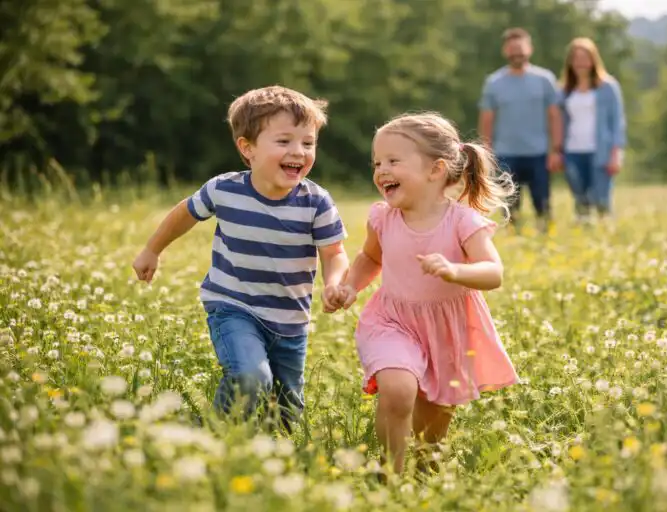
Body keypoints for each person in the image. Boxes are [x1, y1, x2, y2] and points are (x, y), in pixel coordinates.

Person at [131, 85, 349, 429]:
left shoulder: (316, 202)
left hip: (290, 320)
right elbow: (184, 213)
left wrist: (334, 283)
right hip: (234, 307)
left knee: (286, 418)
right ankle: (214, 436)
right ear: (247, 148)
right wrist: (151, 249)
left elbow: (334, 253)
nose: (298, 151)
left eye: (308, 143)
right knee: (251, 378)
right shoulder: (224, 190)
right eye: (284, 141)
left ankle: (261, 447)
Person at [326, 112, 519, 474]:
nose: (382, 171)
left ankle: (422, 472)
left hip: (446, 330)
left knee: (432, 431)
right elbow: (371, 257)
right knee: (398, 391)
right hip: (392, 321)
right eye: (377, 163)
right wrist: (349, 286)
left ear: (436, 169)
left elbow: (493, 273)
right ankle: (391, 475)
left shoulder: (462, 221)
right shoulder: (383, 218)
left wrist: (456, 271)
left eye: (393, 161)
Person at [478, 27, 563, 232]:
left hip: (538, 153)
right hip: (505, 153)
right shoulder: (494, 83)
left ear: (530, 49)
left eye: (521, 49)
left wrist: (556, 149)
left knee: (543, 203)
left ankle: (546, 235)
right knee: (509, 206)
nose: (517, 53)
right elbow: (487, 118)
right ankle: (513, 237)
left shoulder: (545, 79)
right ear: (505, 51)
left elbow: (555, 116)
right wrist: (486, 152)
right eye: (512, 49)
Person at [558, 37, 627, 221]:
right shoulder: (564, 91)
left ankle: (606, 229)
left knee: (601, 198)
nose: (580, 63)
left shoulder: (608, 87)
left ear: (593, 60)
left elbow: (617, 122)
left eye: (585, 58)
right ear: (570, 62)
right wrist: (556, 149)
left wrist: (616, 153)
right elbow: (557, 121)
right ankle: (584, 230)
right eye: (576, 58)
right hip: (572, 151)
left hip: (601, 151)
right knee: (580, 198)